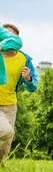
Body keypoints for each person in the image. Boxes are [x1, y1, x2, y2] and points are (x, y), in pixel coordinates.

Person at [0, 24, 37, 164]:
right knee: (6, 132)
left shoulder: (24, 59)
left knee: (6, 142)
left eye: (11, 36)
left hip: (10, 104)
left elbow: (32, 88)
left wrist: (28, 79)